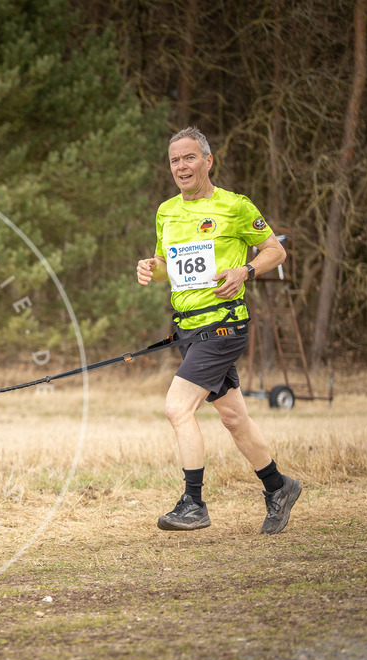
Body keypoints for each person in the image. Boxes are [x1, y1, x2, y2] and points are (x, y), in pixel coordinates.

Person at [136, 126, 301, 534]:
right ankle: (279, 487)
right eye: (175, 160)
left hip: (224, 326)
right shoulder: (166, 211)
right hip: (188, 330)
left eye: (189, 157)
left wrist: (245, 270)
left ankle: (193, 503)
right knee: (233, 418)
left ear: (208, 161)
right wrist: (149, 269)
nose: (181, 166)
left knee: (177, 408)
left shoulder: (236, 206)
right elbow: (166, 269)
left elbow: (275, 251)